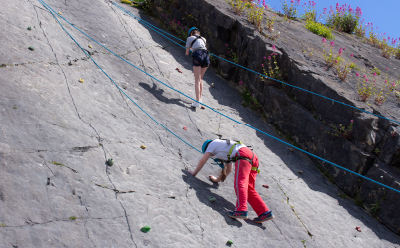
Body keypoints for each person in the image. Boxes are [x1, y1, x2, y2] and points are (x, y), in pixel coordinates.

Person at [188, 139, 275, 223]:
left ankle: (241, 210)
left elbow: (203, 160)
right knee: (249, 188)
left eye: (211, 155)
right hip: (253, 157)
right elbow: (229, 169)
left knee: (240, 183)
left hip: (243, 155)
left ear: (207, 147)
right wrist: (217, 180)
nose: (212, 156)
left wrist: (194, 173)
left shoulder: (211, 144)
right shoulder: (225, 148)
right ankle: (264, 213)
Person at [185, 27, 210, 108]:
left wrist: (191, 49)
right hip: (206, 56)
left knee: (197, 80)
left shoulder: (189, 38)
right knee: (201, 79)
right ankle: (200, 99)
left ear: (191, 33)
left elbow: (187, 53)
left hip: (198, 56)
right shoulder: (204, 39)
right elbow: (201, 47)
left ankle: (197, 101)